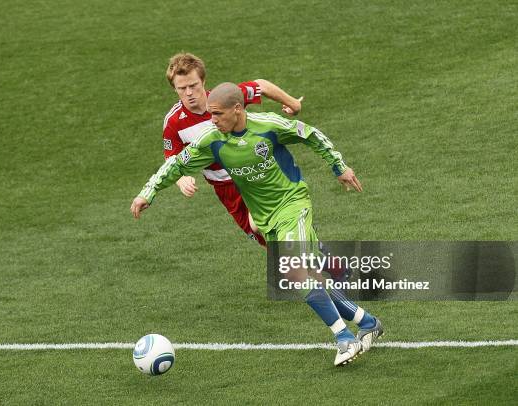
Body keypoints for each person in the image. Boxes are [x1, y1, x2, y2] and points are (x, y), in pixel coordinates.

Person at [132, 82, 383, 366]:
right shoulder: (213, 139)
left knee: (295, 271)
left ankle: (344, 338)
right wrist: (147, 192)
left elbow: (310, 134)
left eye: (217, 114)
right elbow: (176, 164)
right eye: (210, 115)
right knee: (307, 275)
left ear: (237, 110)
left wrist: (339, 167)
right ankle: (368, 322)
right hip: (264, 219)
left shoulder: (268, 126)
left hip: (292, 205)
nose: (212, 120)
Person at [162, 53, 302, 246]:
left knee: (271, 229)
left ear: (203, 81)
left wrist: (293, 103)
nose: (189, 93)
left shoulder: (226, 99)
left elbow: (261, 85)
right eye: (182, 88)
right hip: (226, 189)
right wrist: (181, 179)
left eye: (193, 85)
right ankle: (334, 268)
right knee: (269, 242)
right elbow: (171, 157)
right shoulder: (174, 123)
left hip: (254, 174)